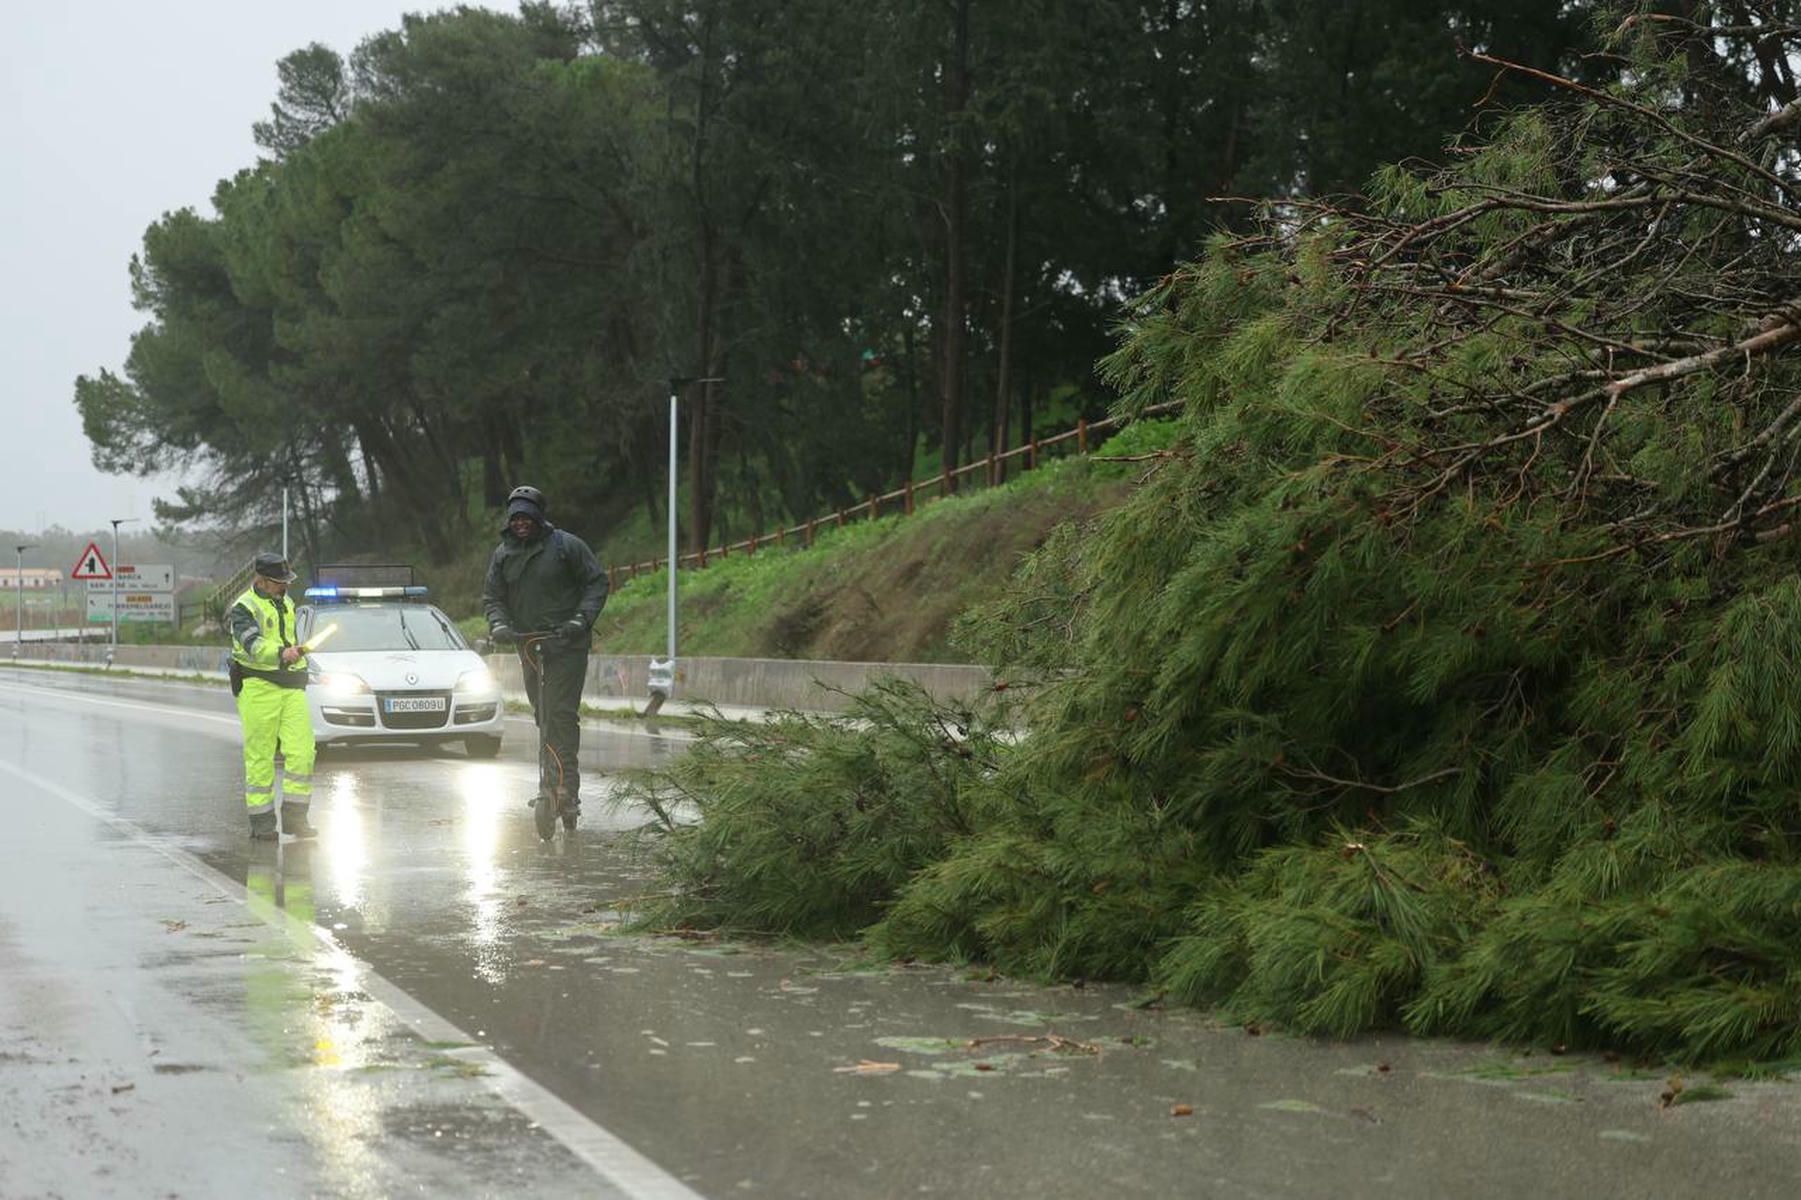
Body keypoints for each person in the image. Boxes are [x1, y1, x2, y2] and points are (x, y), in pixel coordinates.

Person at [482, 485, 608, 831]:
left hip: (566, 645)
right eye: (515, 518)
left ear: (539, 517)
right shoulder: (503, 554)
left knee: (559, 714)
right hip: (528, 646)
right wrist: (499, 624)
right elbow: (492, 597)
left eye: (527, 517)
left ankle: (564, 789)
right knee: (543, 716)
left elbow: (596, 583)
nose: (521, 523)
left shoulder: (567, 546)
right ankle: (553, 786)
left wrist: (580, 620)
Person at [228, 552, 317, 841]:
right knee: (260, 756)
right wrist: (281, 654)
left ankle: (296, 820)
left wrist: (301, 660)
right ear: (262, 581)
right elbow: (252, 644)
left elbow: (288, 641)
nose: (285, 587)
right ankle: (263, 824)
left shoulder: (287, 603)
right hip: (258, 685)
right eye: (279, 583)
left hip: (291, 684)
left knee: (303, 752)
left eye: (286, 582)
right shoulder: (243, 608)